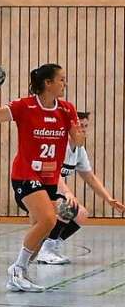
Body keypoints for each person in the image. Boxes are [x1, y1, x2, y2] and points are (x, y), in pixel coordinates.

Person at [0, 63, 83, 292]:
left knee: (42, 232)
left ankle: (21, 274)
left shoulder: (67, 109)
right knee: (49, 219)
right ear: (48, 83)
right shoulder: (25, 106)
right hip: (25, 173)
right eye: (61, 79)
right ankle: (16, 269)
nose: (64, 84)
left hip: (49, 178)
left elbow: (77, 142)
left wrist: (78, 138)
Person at [37, 110, 125, 264]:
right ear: (71, 126)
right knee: (68, 207)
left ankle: (52, 244)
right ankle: (45, 250)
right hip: (38, 192)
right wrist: (68, 193)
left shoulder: (79, 150)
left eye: (86, 126)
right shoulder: (59, 145)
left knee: (82, 214)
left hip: (55, 194)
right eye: (80, 126)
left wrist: (109, 199)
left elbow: (89, 177)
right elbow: (55, 174)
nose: (83, 130)